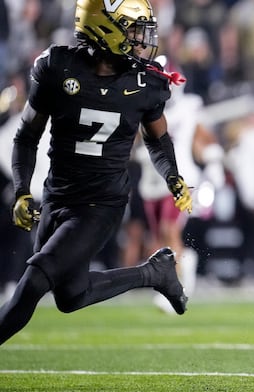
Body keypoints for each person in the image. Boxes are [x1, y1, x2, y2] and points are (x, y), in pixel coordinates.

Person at [0, 0, 193, 345]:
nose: (141, 40)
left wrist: (172, 176)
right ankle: (154, 273)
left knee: (34, 279)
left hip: (100, 205)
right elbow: (26, 136)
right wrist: (21, 190)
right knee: (70, 296)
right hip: (57, 195)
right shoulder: (57, 67)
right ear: (105, 28)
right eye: (133, 30)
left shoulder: (145, 84)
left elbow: (158, 140)